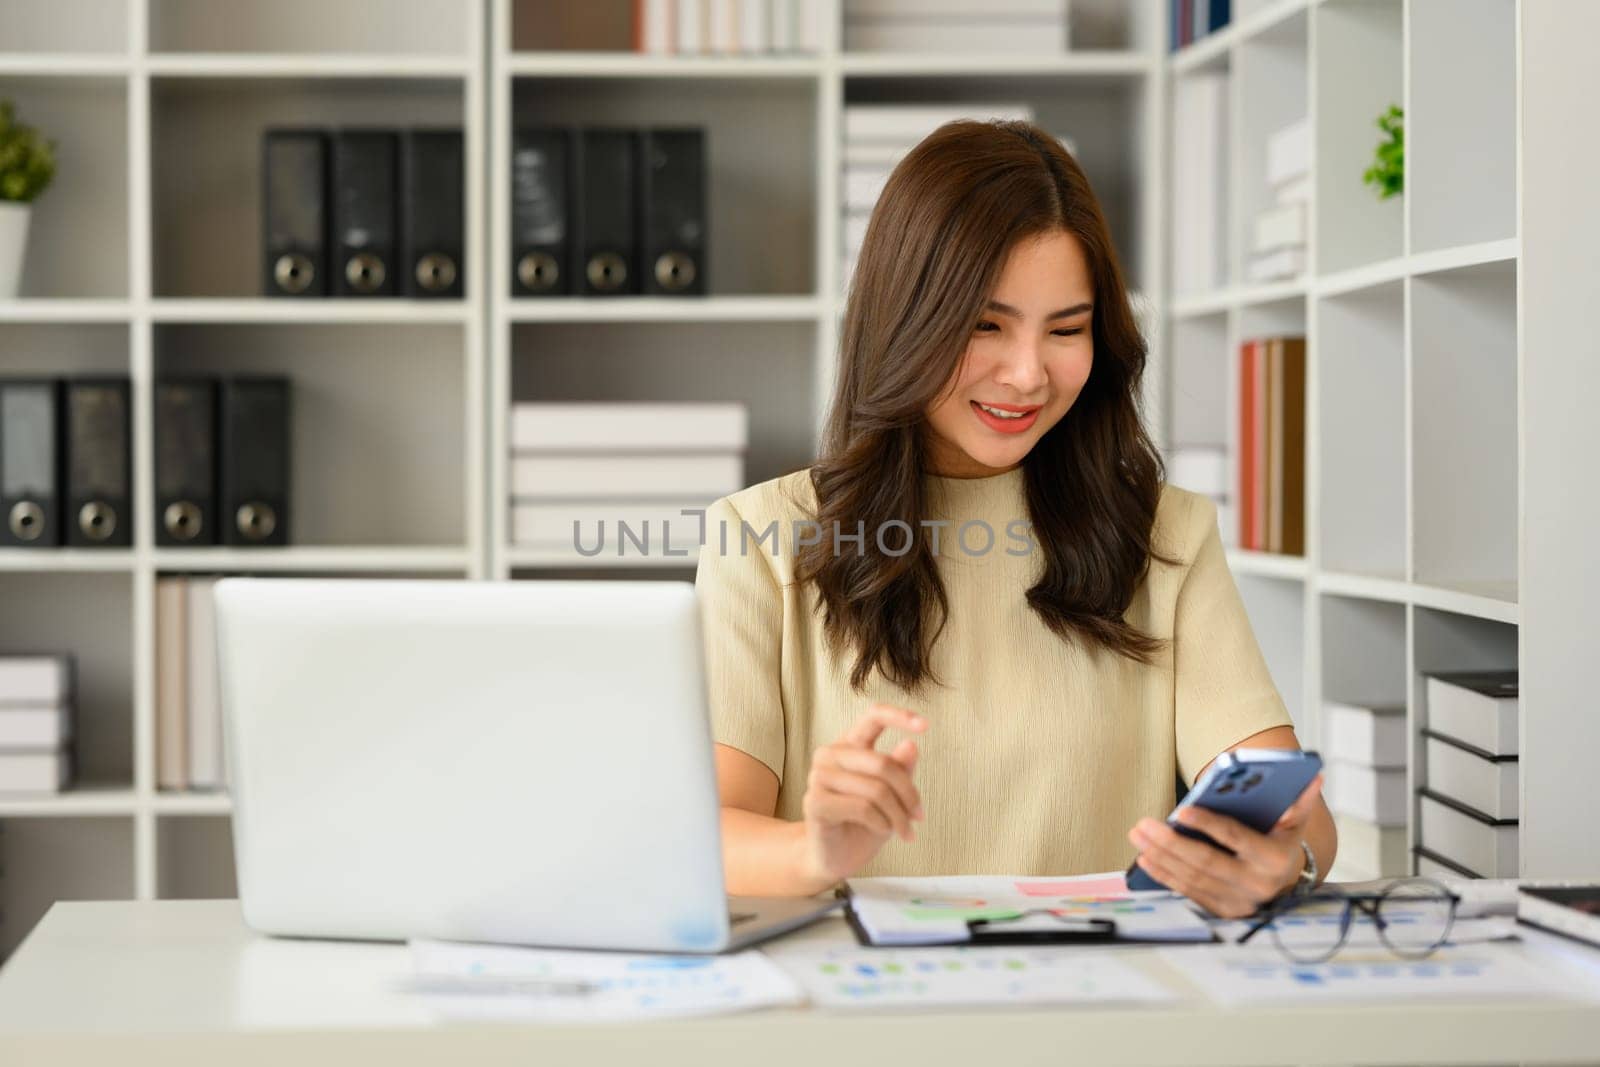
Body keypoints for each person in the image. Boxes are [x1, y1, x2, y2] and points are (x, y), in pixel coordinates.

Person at [694, 119, 1335, 919]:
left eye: (1067, 329)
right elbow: (707, 833)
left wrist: (1286, 860)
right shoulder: (759, 540)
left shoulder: (1167, 537)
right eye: (985, 325)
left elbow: (1297, 813)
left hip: (1099, 1015)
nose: (1029, 374)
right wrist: (813, 850)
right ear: (906, 319)